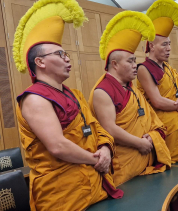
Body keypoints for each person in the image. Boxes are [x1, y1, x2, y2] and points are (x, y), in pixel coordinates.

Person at [12, 0, 123, 210]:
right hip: (62, 193)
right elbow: (58, 146)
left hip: (93, 184)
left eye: (67, 55)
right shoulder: (35, 98)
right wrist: (96, 160)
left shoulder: (74, 94)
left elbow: (96, 127)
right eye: (60, 54)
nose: (67, 60)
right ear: (40, 62)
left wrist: (106, 149)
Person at [88, 11, 171, 186]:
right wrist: (139, 143)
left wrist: (151, 137)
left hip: (145, 160)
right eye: (131, 62)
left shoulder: (131, 88)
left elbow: (149, 118)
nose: (135, 66)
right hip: (123, 167)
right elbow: (109, 129)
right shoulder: (102, 91)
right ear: (115, 64)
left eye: (135, 61)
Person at [136, 0, 178, 163]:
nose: (169, 48)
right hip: (167, 129)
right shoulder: (144, 69)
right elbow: (157, 101)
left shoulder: (169, 69)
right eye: (164, 45)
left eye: (170, 44)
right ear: (151, 46)